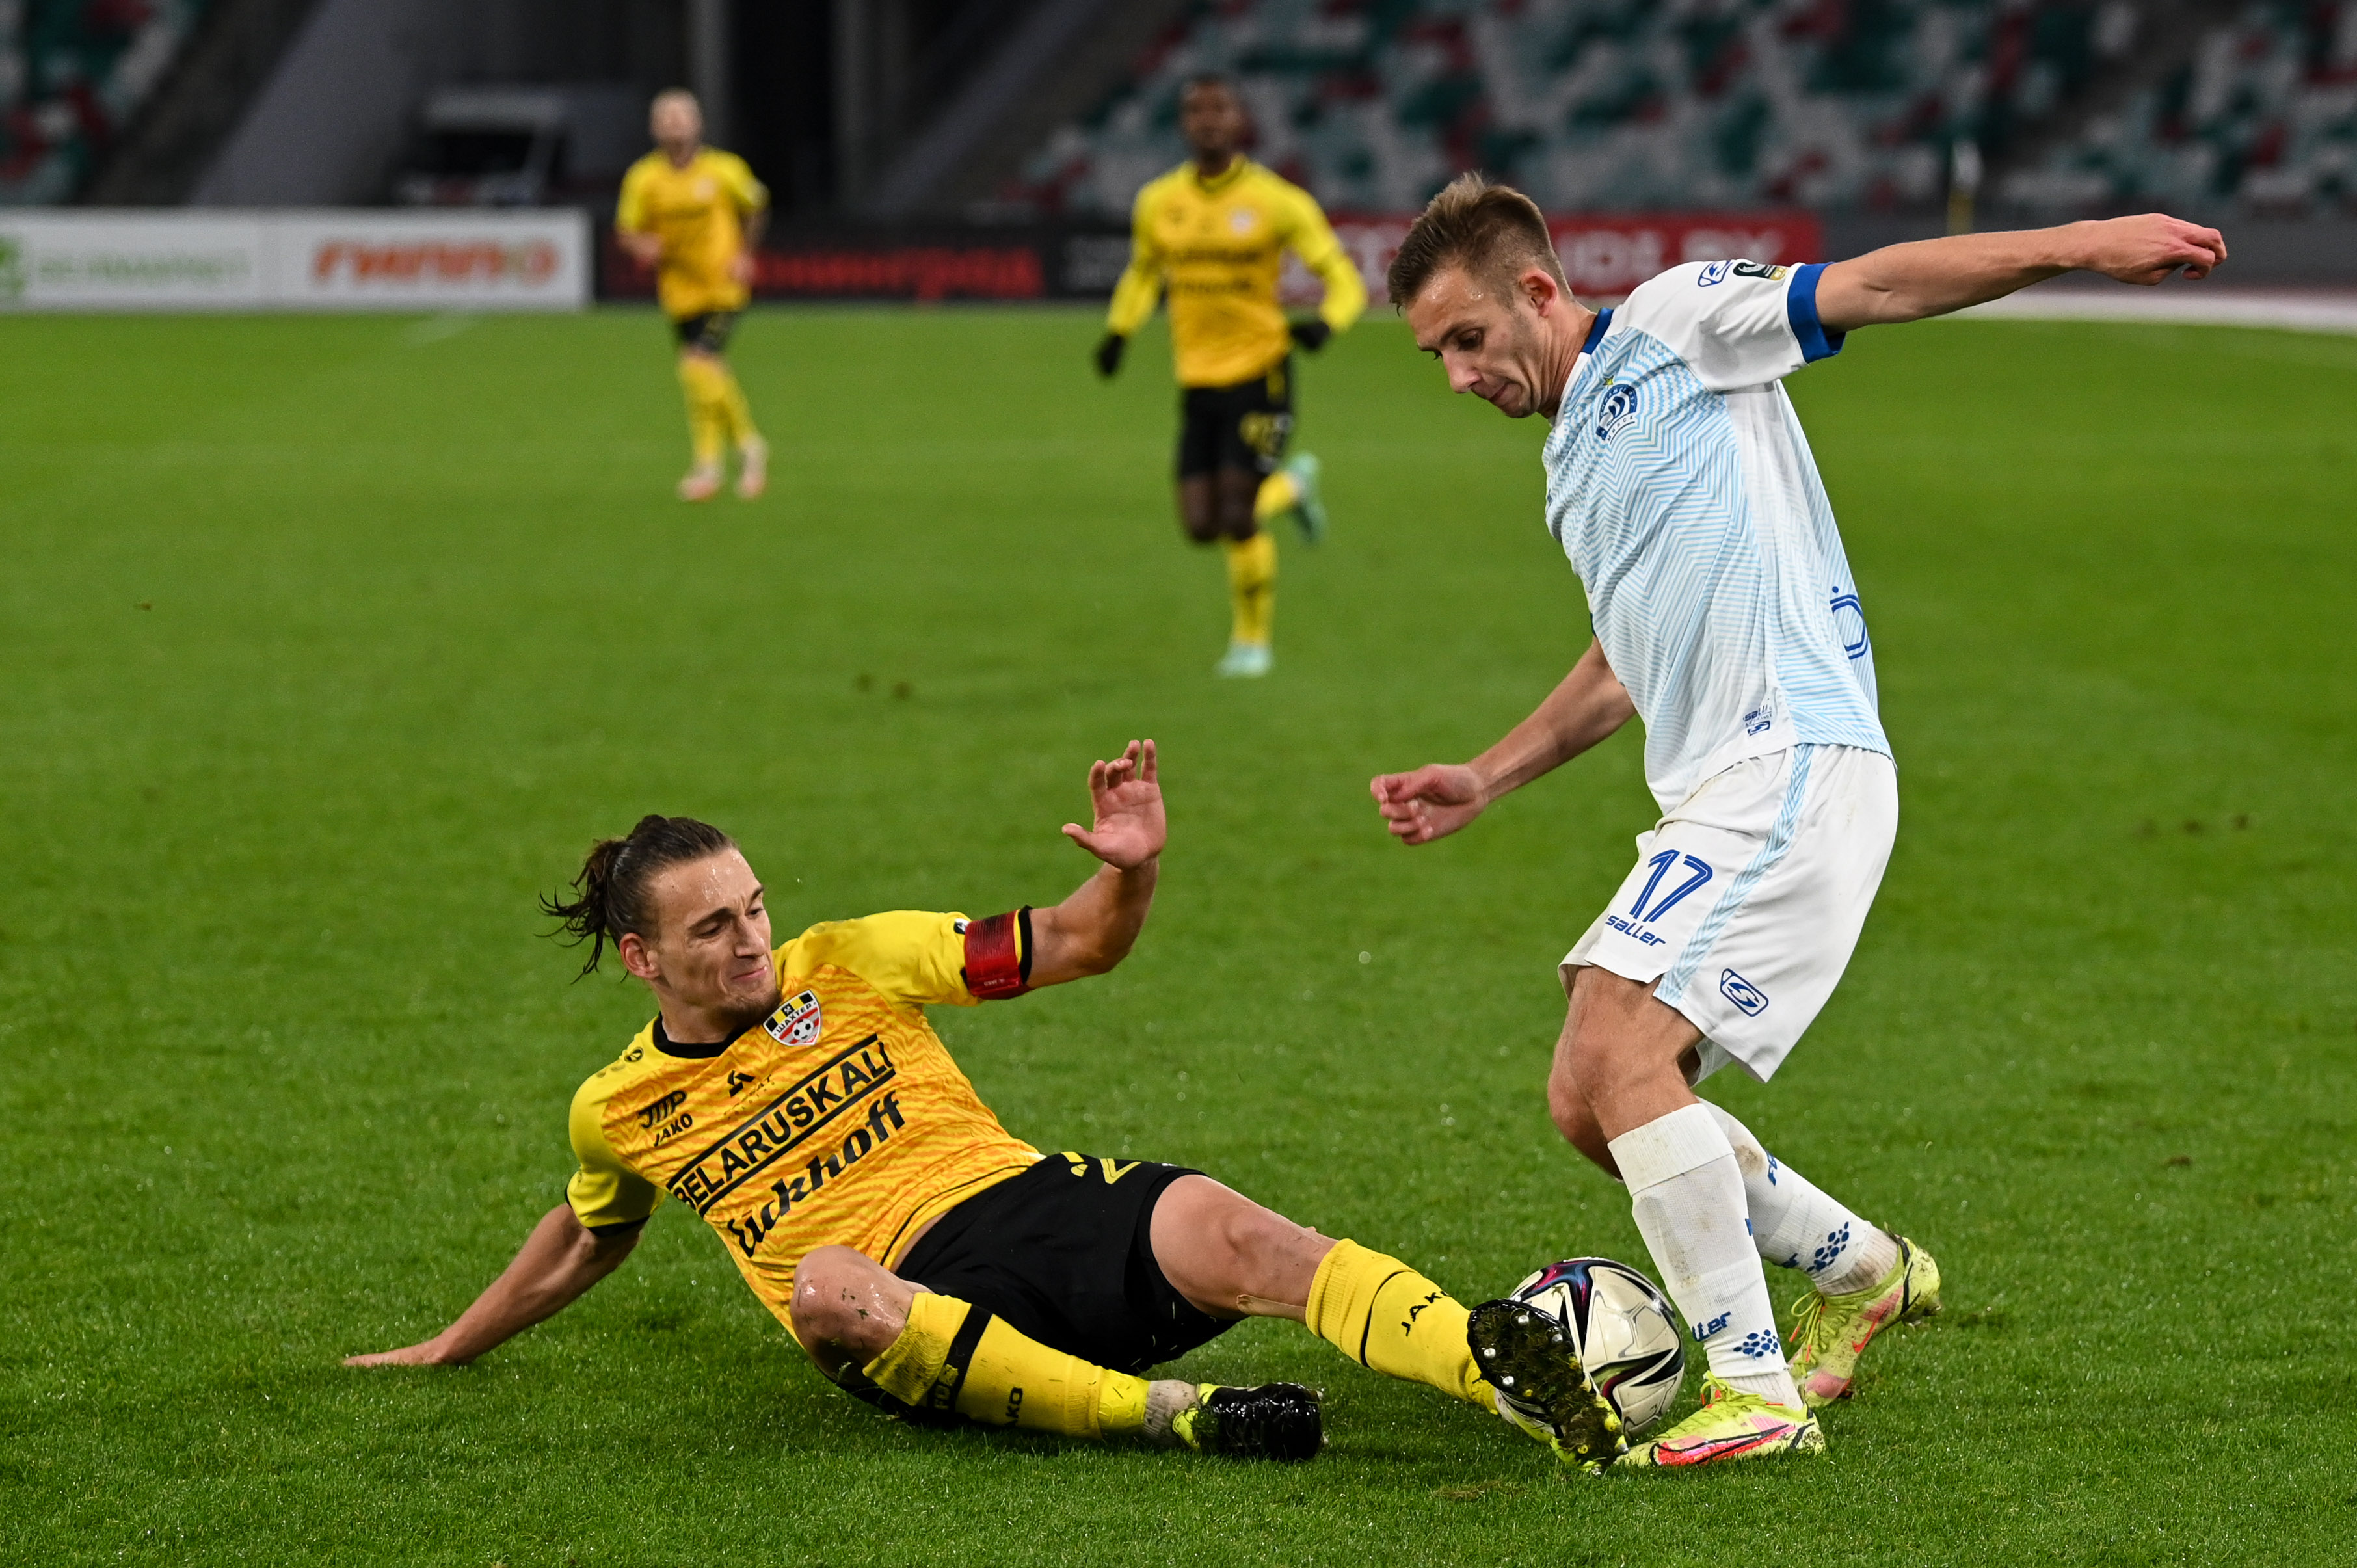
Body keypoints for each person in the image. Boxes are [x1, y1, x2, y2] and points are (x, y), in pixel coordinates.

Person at [1371, 176, 2227, 1468]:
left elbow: (1871, 285)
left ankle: (1756, 1389)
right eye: (1435, 354)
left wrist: (2083, 242)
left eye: (1465, 338)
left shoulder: (1673, 324)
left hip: (1793, 762)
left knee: (1616, 1043)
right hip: (1720, 791)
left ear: (1538, 291)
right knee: (1587, 1099)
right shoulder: (1570, 463)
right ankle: (1859, 1268)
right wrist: (1487, 776)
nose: (1454, 375)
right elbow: (1619, 662)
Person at [346, 741, 1621, 1470]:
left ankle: (1515, 1382)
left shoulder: (848, 958)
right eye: (712, 927)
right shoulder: (619, 1106)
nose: (751, 942)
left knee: (1246, 1232)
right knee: (823, 1286)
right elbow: (585, 1236)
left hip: (1025, 1204)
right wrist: (453, 1344)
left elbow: (1077, 941)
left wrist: (1134, 870)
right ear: (641, 958)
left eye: (755, 908)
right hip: (899, 1310)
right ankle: (1179, 1418)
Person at [1095, 74, 1366, 679]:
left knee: (1238, 516)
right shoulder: (1158, 201)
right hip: (1197, 380)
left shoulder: (1277, 201)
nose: (1208, 120)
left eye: (1219, 109)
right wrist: (1119, 332)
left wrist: (1327, 324)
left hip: (1261, 372)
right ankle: (1293, 488)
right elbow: (1143, 273)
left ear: (1241, 120)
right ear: (1183, 123)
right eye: (1196, 110)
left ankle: (1251, 643)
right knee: (1201, 525)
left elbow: (1342, 276)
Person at [616, 89, 769, 502]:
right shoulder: (643, 178)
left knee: (698, 363)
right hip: (679, 291)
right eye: (666, 117)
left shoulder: (724, 169)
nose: (675, 123)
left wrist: (745, 254)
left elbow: (756, 205)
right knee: (706, 373)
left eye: (682, 115)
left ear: (698, 123)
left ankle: (727, 456)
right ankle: (727, 459)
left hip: (722, 287)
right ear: (654, 128)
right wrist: (642, 245)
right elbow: (626, 231)